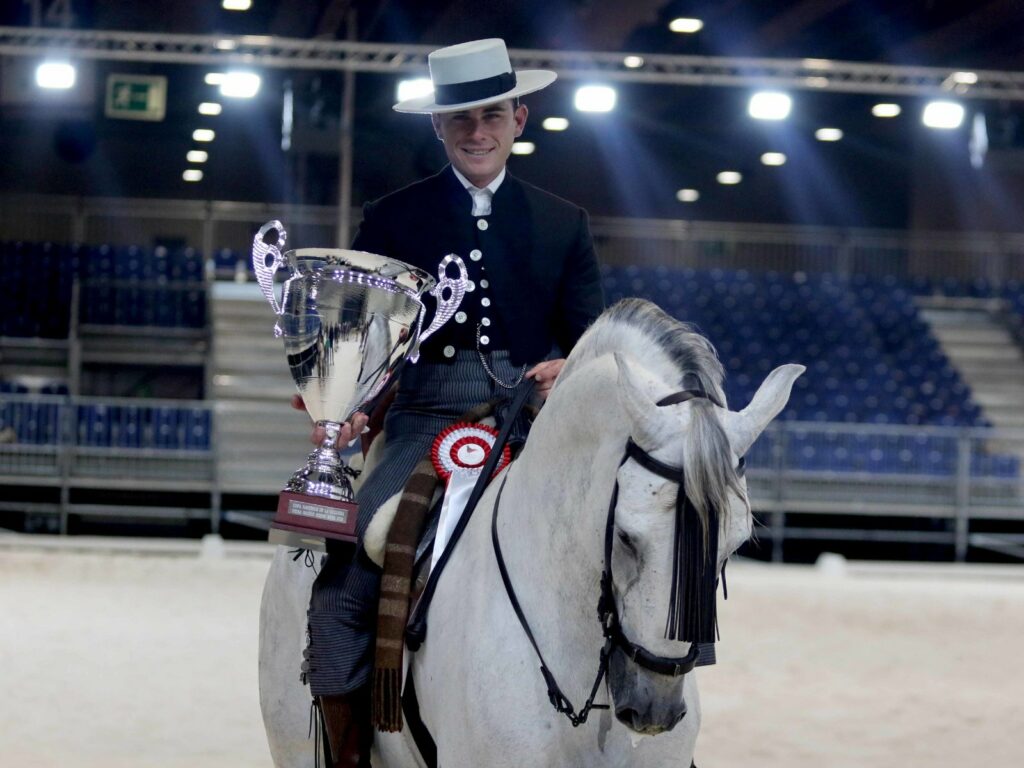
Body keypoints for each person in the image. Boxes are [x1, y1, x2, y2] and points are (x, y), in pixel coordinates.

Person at [298, 38, 605, 766]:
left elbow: (590, 336)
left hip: (531, 421)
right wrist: (347, 403)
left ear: (519, 119)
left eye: (492, 114)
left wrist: (571, 365)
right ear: (437, 125)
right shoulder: (392, 217)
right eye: (460, 117)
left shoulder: (564, 220)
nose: (477, 130)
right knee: (346, 577)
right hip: (424, 418)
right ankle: (347, 754)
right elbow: (363, 336)